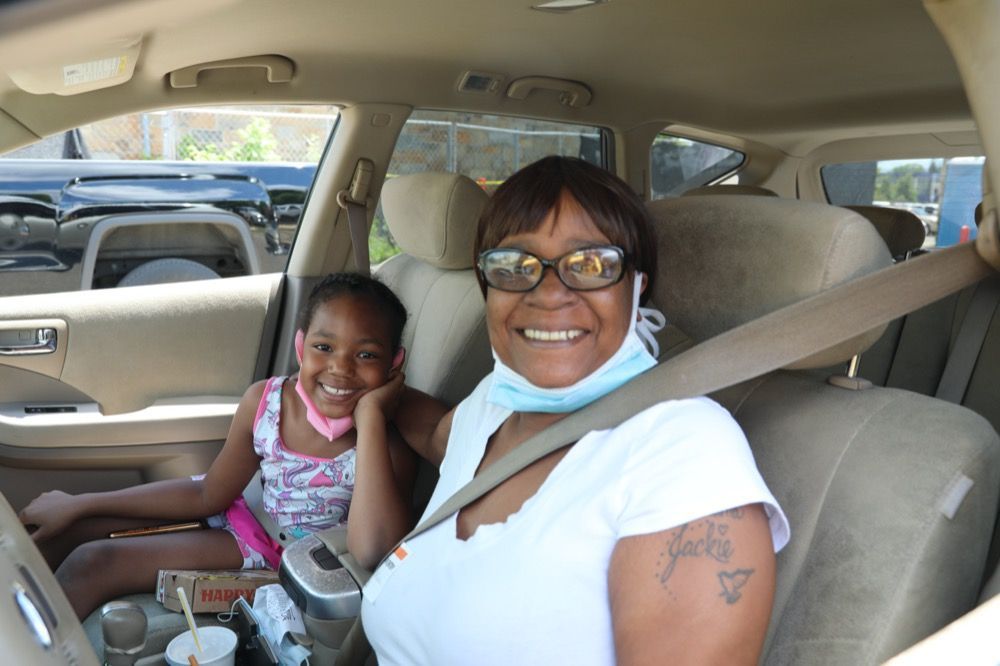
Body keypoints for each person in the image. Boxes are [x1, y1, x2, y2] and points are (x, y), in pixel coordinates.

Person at [361, 156, 791, 665]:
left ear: (637, 285)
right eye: (514, 266)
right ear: (487, 286)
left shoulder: (684, 451)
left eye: (592, 265)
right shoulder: (494, 402)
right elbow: (439, 435)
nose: (549, 294)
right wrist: (370, 398)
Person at [19, 272, 426, 619]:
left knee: (92, 562)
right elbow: (207, 493)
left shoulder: (385, 445)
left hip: (283, 563)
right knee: (66, 532)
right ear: (302, 348)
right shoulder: (266, 401)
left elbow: (372, 550)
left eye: (366, 354)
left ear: (394, 365)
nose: (340, 367)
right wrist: (81, 504)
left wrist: (370, 418)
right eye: (324, 347)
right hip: (243, 520)